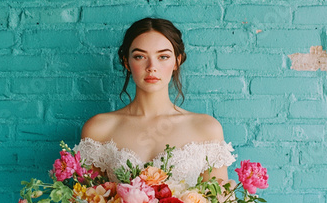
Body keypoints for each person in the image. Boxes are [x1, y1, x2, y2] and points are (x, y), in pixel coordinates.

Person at [74, 17, 236, 186]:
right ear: (126, 62)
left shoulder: (206, 129)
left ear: (177, 61)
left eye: (163, 56)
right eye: (139, 56)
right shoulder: (99, 129)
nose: (152, 66)